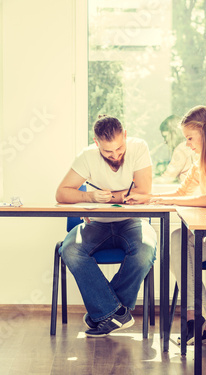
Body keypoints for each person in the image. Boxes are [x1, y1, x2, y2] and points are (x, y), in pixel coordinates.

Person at [125, 105, 206, 345]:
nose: (187, 144)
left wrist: (157, 199)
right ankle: (203, 322)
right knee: (177, 239)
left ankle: (200, 322)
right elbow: (182, 191)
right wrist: (149, 196)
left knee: (183, 257)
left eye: (189, 138)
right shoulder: (202, 160)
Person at [56, 115, 157, 338]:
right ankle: (115, 313)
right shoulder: (87, 156)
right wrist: (91, 196)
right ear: (96, 143)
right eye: (108, 152)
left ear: (126, 136)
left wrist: (111, 196)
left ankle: (102, 314)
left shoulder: (139, 148)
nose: (116, 155)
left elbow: (143, 192)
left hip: (132, 222)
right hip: (97, 223)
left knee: (145, 250)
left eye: (120, 148)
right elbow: (61, 193)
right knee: (70, 249)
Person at [154, 115, 198, 184]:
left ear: (174, 133)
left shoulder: (181, 149)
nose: (165, 141)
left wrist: (147, 182)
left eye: (165, 136)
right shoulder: (192, 146)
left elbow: (167, 178)